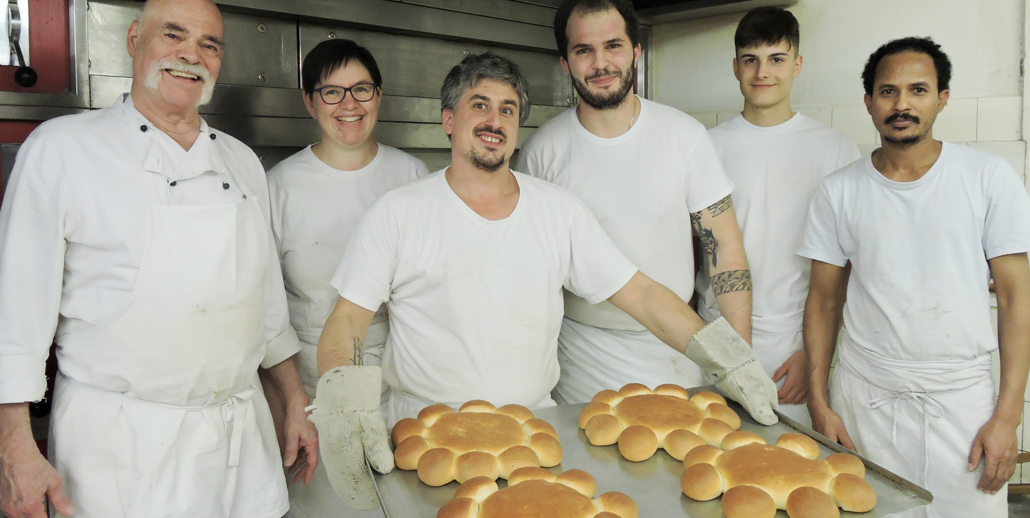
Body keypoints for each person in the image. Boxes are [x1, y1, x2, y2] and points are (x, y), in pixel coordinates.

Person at [306, 51, 779, 510]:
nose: (494, 120)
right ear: (448, 119)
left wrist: (725, 355)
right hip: (424, 435)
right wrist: (343, 403)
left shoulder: (558, 211)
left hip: (533, 435)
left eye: (507, 109)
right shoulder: (399, 212)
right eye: (479, 105)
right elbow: (348, 318)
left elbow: (640, 294)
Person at [0, 0, 317, 518]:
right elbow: (14, 315)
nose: (191, 55)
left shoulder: (241, 162)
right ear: (133, 39)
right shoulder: (62, 149)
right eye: (173, 35)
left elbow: (267, 305)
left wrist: (295, 399)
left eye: (209, 44)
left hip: (241, 438)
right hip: (123, 451)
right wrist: (13, 445)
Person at [801, 37, 1030, 517]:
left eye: (918, 90)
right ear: (869, 102)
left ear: (942, 98)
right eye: (888, 91)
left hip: (961, 405)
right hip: (865, 398)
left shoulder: (988, 178)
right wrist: (820, 405)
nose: (901, 104)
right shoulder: (838, 191)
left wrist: (1007, 418)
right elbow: (823, 302)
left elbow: (1015, 299)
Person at [518, 0, 753, 404]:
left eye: (613, 46)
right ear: (565, 62)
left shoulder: (684, 136)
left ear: (636, 53)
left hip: (676, 348)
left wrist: (738, 358)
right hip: (581, 354)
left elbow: (725, 249)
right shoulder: (541, 152)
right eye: (584, 50)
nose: (600, 63)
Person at [264, 38, 428, 517]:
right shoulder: (280, 185)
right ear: (309, 101)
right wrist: (289, 404)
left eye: (361, 89)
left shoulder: (411, 174)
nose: (348, 104)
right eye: (331, 92)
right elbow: (265, 307)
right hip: (311, 391)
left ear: (379, 95)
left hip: (403, 383)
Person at [694, 7, 860, 426]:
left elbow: (844, 266)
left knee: (788, 460)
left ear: (797, 66)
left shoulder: (834, 148)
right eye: (750, 60)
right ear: (736, 67)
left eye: (777, 59)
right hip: (717, 336)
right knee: (715, 453)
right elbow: (694, 249)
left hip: (794, 346)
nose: (762, 72)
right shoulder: (705, 146)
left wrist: (814, 355)